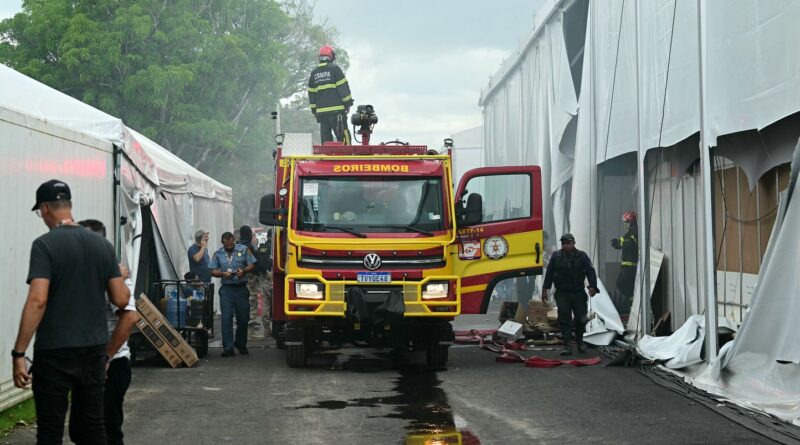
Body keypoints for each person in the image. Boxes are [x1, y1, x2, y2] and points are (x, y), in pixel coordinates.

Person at [12, 179, 133, 444]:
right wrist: (115, 276)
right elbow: (121, 300)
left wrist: (19, 353)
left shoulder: (45, 245)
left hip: (55, 351)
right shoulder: (103, 246)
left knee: (50, 431)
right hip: (94, 351)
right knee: (94, 428)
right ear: (69, 205)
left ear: (45, 208)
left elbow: (37, 301)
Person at [78, 219, 139, 445]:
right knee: (80, 430)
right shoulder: (83, 274)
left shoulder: (116, 276)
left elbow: (129, 318)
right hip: (85, 363)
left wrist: (106, 357)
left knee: (107, 430)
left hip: (111, 364)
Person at [541, 233, 598, 356]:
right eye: (563, 243)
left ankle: (580, 341)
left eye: (568, 243)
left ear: (573, 243)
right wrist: (545, 290)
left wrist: (592, 286)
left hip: (578, 292)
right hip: (562, 293)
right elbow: (549, 273)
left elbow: (590, 271)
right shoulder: (556, 256)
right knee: (564, 318)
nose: (565, 245)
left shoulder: (582, 256)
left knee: (581, 319)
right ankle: (567, 345)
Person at [209, 231, 256, 357]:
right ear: (222, 243)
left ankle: (240, 343)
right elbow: (212, 270)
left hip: (241, 289)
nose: (229, 247)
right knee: (226, 319)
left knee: (243, 318)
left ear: (234, 240)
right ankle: (228, 348)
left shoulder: (244, 249)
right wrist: (222, 274)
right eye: (226, 245)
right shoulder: (218, 253)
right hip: (226, 290)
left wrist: (244, 271)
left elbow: (252, 264)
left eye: (231, 244)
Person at [308, 45, 354, 143]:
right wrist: (348, 104)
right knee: (343, 139)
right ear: (331, 56)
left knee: (326, 141)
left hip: (322, 114)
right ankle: (346, 153)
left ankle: (327, 153)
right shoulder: (335, 69)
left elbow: (311, 94)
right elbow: (343, 88)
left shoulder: (314, 73)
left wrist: (314, 110)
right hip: (337, 112)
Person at [610, 211, 638, 315]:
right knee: (628, 288)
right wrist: (615, 243)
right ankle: (632, 306)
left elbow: (630, 243)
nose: (625, 225)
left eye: (627, 223)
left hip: (631, 266)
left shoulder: (635, 232)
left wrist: (620, 242)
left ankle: (633, 303)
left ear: (632, 222)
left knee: (622, 283)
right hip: (627, 265)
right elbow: (622, 241)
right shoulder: (629, 233)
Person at [250, 230, 273, 338]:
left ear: (267, 236)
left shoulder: (261, 248)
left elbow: (256, 264)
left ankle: (267, 329)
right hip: (277, 279)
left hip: (264, 279)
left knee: (266, 305)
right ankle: (279, 328)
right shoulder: (278, 247)